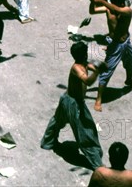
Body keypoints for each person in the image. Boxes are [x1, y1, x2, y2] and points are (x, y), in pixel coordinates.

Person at [41, 41, 104, 169]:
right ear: (79, 55)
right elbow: (87, 80)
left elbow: (93, 65)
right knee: (86, 132)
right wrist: (97, 72)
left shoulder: (84, 63)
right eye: (84, 53)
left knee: (57, 121)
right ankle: (97, 165)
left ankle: (48, 142)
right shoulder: (76, 68)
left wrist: (101, 65)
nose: (86, 55)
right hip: (73, 103)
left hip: (69, 99)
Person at [88, 0, 132, 111]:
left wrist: (99, 0)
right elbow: (92, 11)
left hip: (126, 42)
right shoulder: (108, 9)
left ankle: (129, 81)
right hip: (115, 44)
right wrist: (92, 1)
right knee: (107, 71)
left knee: (131, 63)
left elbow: (115, 8)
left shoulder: (127, 10)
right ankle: (99, 99)